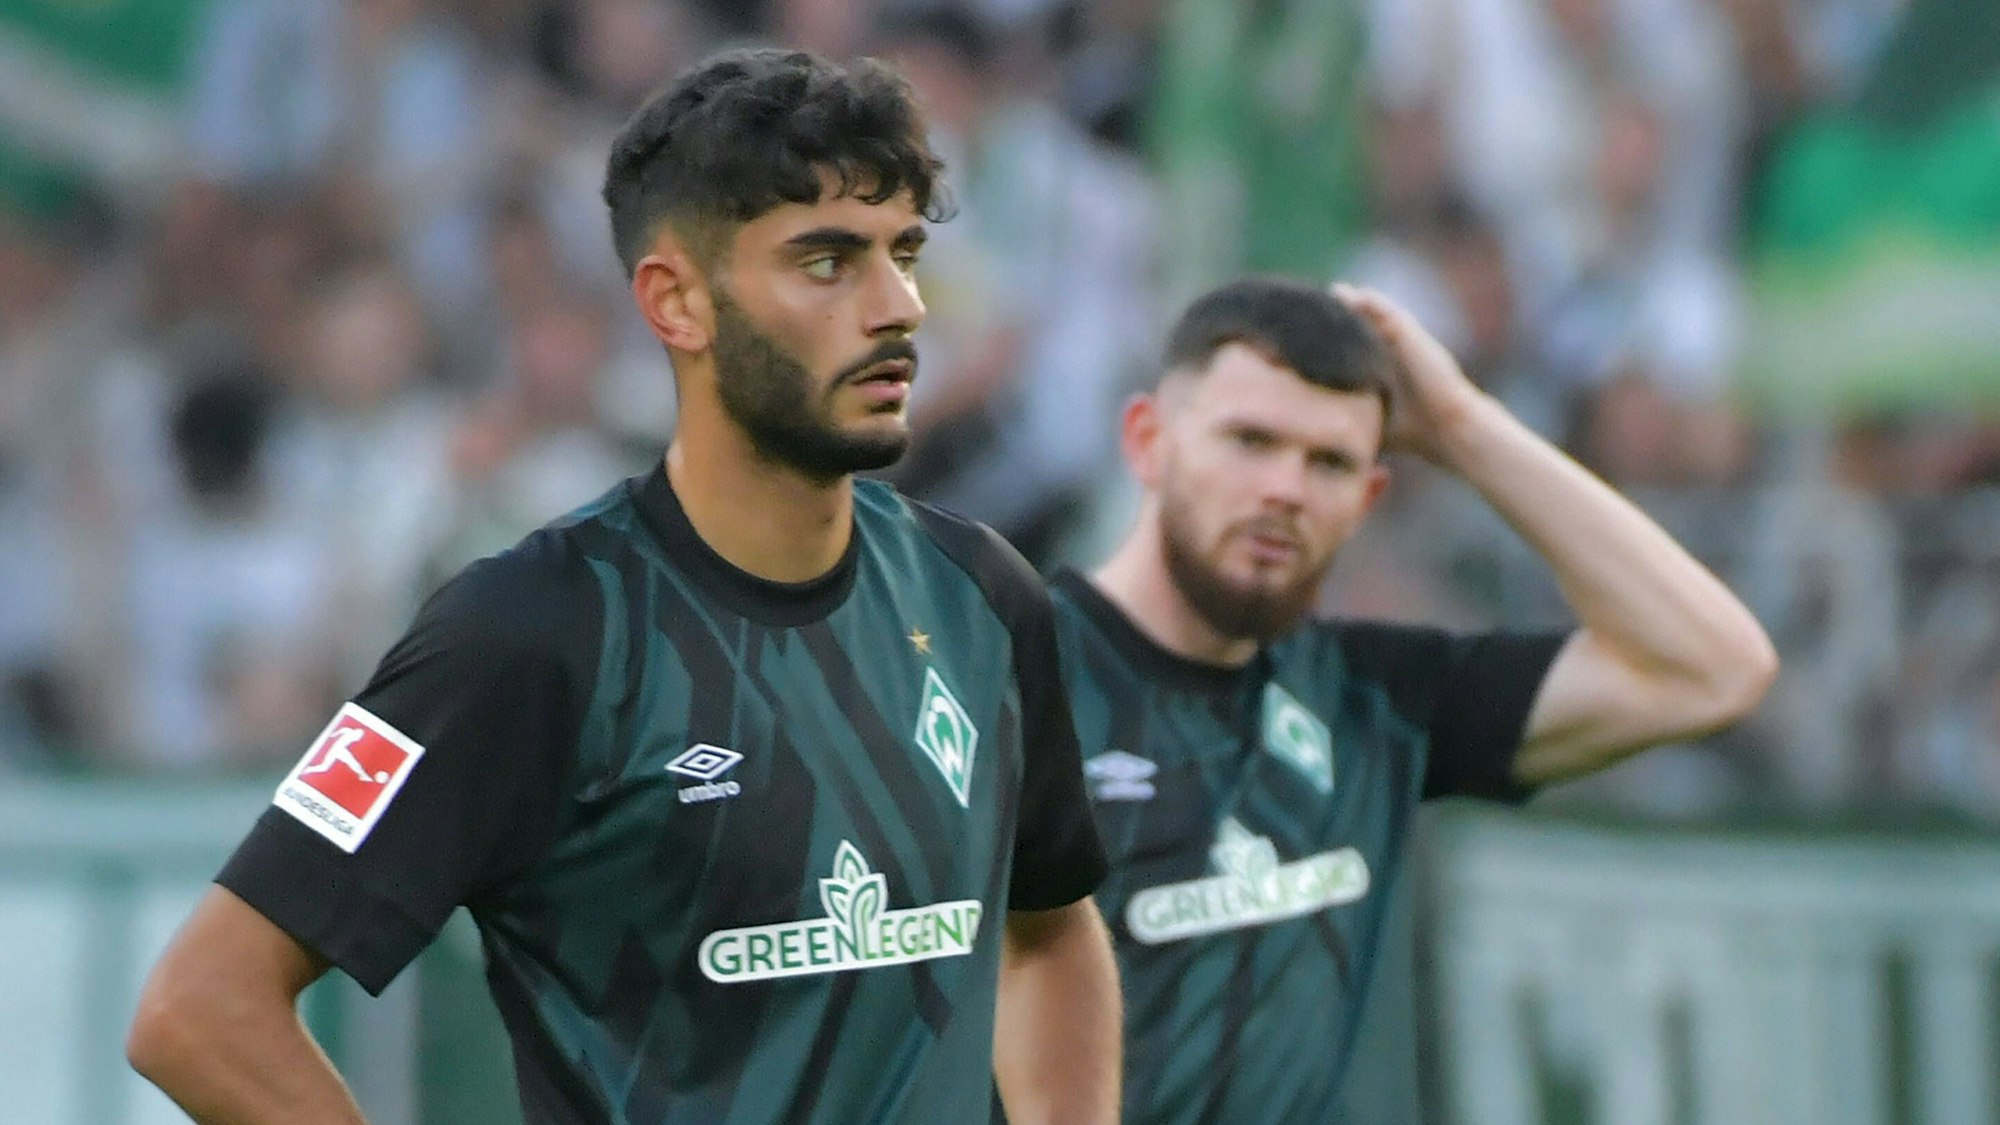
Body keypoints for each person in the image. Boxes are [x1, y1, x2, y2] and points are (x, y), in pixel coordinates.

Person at [127, 48, 1121, 1125]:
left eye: (905, 253)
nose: (899, 308)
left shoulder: (977, 596)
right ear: (676, 303)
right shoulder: (532, 631)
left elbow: (1051, 926)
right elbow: (201, 1007)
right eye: (828, 261)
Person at [1050, 277, 1778, 1122]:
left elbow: (1714, 668)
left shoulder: (1372, 699)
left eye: (1330, 461)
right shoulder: (1007, 679)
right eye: (1250, 440)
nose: (1286, 488)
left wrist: (1466, 429)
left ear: (1367, 499)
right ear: (1148, 440)